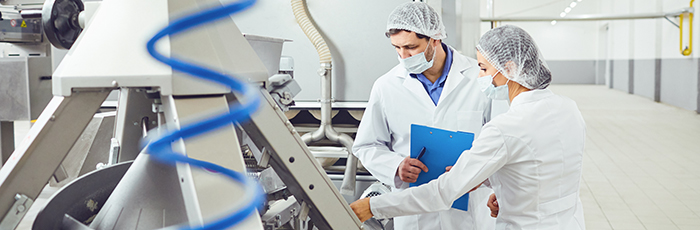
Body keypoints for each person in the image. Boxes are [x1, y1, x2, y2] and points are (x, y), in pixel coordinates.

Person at [350, 25, 587, 230]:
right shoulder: (568, 108)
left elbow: (443, 192)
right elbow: (543, 167)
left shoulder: (505, 128)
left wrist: (371, 206)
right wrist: (505, 190)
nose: (480, 76)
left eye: (483, 69)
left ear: (511, 68)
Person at [352, 2, 496, 230]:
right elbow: (367, 145)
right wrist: (396, 166)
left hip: (470, 208)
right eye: (396, 48)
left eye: (411, 47)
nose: (403, 56)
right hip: (415, 213)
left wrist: (478, 170)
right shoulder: (386, 86)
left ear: (435, 38)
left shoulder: (479, 79)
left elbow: (499, 140)